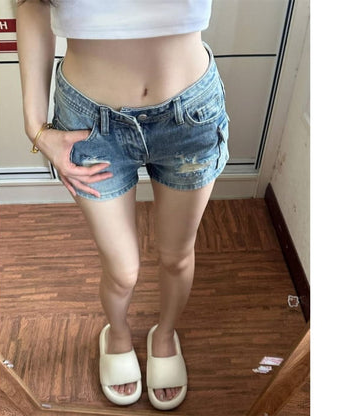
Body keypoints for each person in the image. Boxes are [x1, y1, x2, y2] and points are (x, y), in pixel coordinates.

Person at [16, 0, 229, 410]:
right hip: (89, 124)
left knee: (177, 257)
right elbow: (31, 5)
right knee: (122, 270)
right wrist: (35, 128)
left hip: (190, 114)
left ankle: (165, 334)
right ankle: (116, 333)